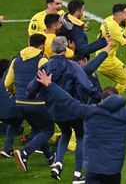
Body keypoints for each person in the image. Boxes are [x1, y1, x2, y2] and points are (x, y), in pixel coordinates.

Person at [35, 69, 126, 184]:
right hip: (113, 170)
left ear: (102, 99)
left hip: (93, 168)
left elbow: (68, 101)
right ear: (119, 100)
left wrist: (50, 84)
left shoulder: (89, 112)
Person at [27, 36, 96, 183]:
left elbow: (32, 89)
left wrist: (32, 94)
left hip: (54, 111)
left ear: (51, 49)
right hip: (73, 108)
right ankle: (78, 174)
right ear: (66, 49)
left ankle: (57, 165)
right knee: (81, 137)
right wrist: (96, 97)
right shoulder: (72, 65)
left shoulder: (45, 67)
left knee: (65, 132)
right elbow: (86, 85)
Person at [4, 34, 55, 172]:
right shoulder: (41, 59)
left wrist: (14, 92)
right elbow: (47, 79)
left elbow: (7, 82)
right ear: (41, 46)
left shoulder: (16, 60)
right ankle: (24, 153)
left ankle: (50, 158)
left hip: (20, 102)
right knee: (48, 129)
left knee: (38, 130)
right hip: (37, 102)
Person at [96, 3, 126, 109]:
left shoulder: (108, 19)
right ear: (119, 16)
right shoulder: (116, 29)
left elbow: (122, 14)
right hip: (108, 62)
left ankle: (108, 103)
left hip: (102, 57)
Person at [0, 59, 24, 158]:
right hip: (13, 112)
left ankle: (7, 149)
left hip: (3, 114)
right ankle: (28, 150)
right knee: (38, 125)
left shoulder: (3, 80)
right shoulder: (17, 78)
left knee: (15, 123)